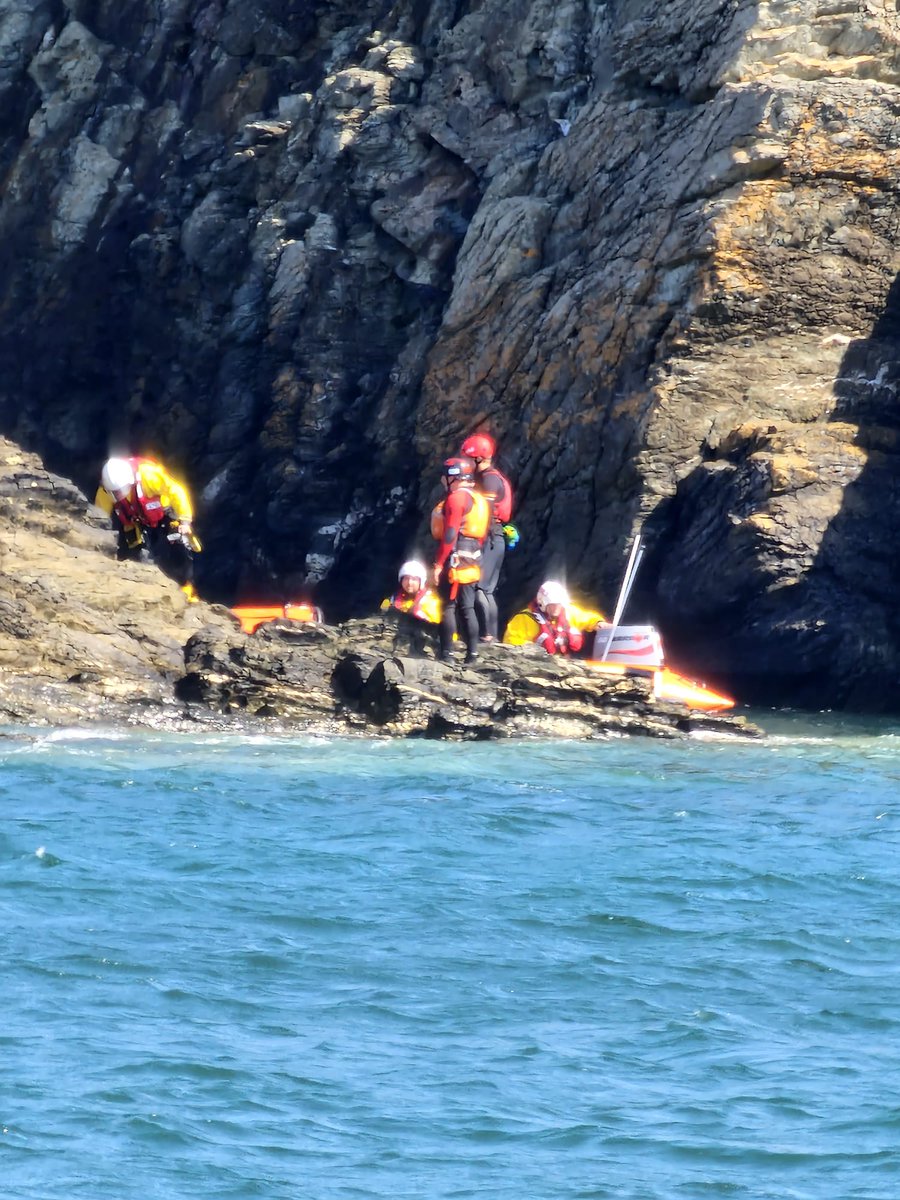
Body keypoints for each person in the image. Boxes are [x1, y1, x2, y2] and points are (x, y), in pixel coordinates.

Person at [95, 455, 201, 600]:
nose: (116, 495)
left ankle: (188, 591)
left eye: (119, 491)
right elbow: (99, 516)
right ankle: (154, 594)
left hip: (166, 516)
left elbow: (176, 491)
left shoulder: (148, 476)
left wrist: (185, 521)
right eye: (114, 492)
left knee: (179, 552)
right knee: (144, 559)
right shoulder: (106, 490)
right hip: (139, 524)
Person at [430, 456, 491, 664]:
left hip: (456, 558)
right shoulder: (479, 499)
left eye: (445, 477)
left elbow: (450, 535)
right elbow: (481, 535)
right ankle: (472, 655)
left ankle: (447, 654)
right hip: (474, 556)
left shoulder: (456, 499)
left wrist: (439, 564)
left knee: (448, 606)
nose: (442, 480)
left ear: (452, 478)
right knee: (467, 607)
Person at [460, 432, 514, 643]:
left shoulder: (490, 479)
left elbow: (485, 512)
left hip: (490, 537)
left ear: (479, 458)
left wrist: (477, 541)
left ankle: (487, 636)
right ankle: (489, 635)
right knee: (485, 589)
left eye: (468, 458)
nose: (465, 461)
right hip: (494, 537)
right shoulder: (485, 478)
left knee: (481, 587)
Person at [502, 580, 606, 655]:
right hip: (537, 665)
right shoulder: (525, 619)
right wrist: (533, 651)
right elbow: (510, 642)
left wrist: (599, 622)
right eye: (552, 604)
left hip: (565, 665)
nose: (556, 608)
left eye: (559, 604)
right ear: (542, 603)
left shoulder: (569, 613)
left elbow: (587, 618)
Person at [381, 559, 442, 624]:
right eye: (406, 578)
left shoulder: (429, 601)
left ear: (421, 581)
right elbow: (382, 615)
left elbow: (433, 627)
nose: (409, 582)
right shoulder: (393, 598)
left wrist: (418, 615)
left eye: (414, 579)